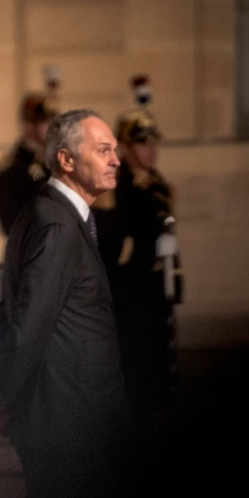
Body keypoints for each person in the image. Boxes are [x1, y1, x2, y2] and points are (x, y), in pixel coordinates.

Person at [0, 109, 128, 498]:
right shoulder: (56, 223)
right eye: (102, 150)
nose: (116, 159)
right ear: (65, 159)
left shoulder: (57, 213)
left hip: (68, 407)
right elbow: (27, 323)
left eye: (114, 149)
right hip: (66, 413)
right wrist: (1, 398)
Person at [97, 84, 179, 415]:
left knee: (160, 356)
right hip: (129, 286)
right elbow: (114, 240)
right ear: (126, 147)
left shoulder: (156, 181)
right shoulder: (115, 184)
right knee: (134, 359)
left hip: (156, 284)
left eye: (152, 142)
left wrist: (176, 278)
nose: (151, 149)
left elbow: (167, 233)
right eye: (143, 143)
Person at [0, 92, 56, 236]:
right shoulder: (12, 169)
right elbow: (9, 225)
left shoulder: (53, 163)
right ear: (28, 125)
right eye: (45, 122)